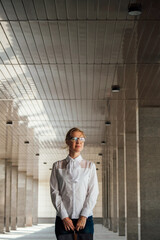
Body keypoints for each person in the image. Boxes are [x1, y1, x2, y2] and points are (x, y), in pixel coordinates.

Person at [50, 127, 99, 240]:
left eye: (81, 138)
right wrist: (64, 217)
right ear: (67, 141)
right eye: (75, 138)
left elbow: (93, 193)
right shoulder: (57, 166)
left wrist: (84, 216)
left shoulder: (90, 166)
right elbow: (54, 192)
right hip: (63, 219)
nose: (79, 142)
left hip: (85, 219)